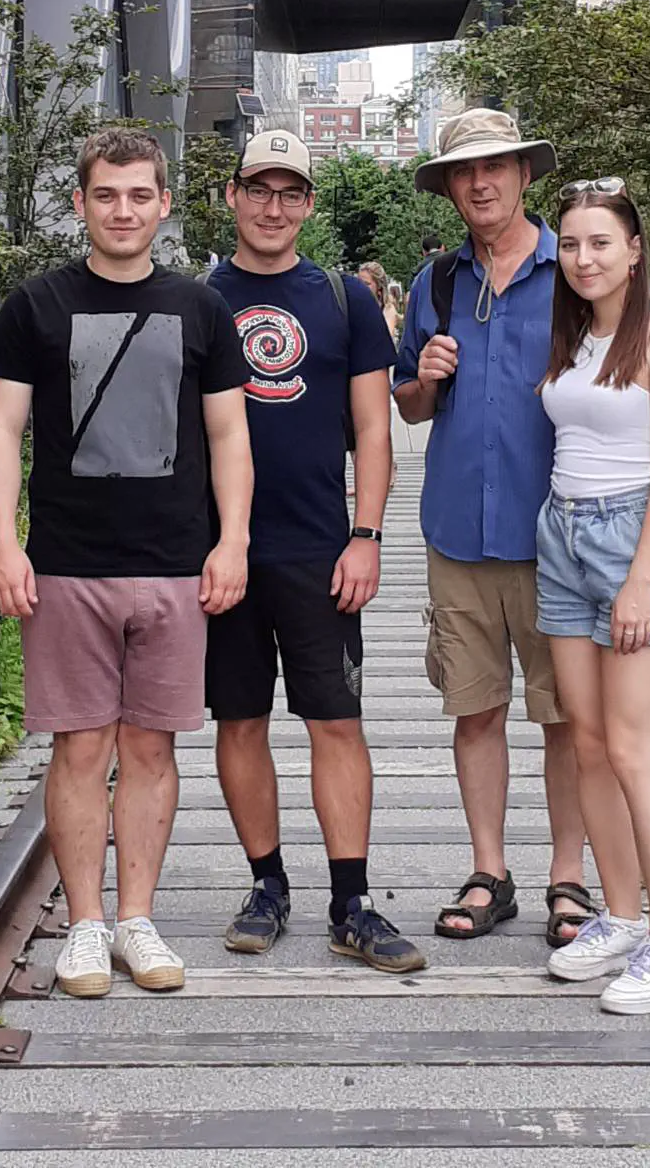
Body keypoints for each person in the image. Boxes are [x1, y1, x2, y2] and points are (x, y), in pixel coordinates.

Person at [0, 127, 252, 999]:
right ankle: (86, 925)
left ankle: (137, 917)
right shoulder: (34, 306)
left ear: (165, 205)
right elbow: (1, 430)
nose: (124, 210)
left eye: (140, 195)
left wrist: (232, 538)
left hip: (175, 563)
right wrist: (1, 540)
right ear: (80, 205)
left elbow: (228, 435)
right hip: (65, 563)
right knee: (78, 746)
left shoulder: (201, 309)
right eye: (107, 195)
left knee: (151, 746)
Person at [205, 130, 425, 974]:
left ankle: (352, 901)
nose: (273, 206)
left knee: (336, 720)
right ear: (232, 196)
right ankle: (267, 884)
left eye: (289, 192)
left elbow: (375, 428)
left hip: (318, 545)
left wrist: (367, 535)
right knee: (240, 718)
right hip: (222, 551)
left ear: (307, 204)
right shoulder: (198, 298)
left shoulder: (344, 299)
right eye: (258, 189)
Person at [394, 109, 590, 949]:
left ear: (524, 175)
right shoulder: (433, 284)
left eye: (495, 168)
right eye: (463, 173)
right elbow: (405, 406)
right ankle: (490, 871)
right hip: (458, 536)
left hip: (561, 536)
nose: (480, 184)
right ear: (448, 189)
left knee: (565, 716)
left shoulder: (578, 273)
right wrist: (424, 379)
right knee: (474, 711)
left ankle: (568, 877)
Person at [537, 176, 650, 1015]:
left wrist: (641, 578)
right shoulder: (574, 334)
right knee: (590, 743)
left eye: (601, 242)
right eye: (570, 244)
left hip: (635, 539)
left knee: (636, 748)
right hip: (562, 538)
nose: (584, 258)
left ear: (635, 250)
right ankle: (619, 914)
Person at [359, 260, 400, 342]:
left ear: (379, 286)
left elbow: (385, 340)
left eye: (366, 284)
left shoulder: (388, 310)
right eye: (358, 283)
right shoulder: (356, 308)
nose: (360, 287)